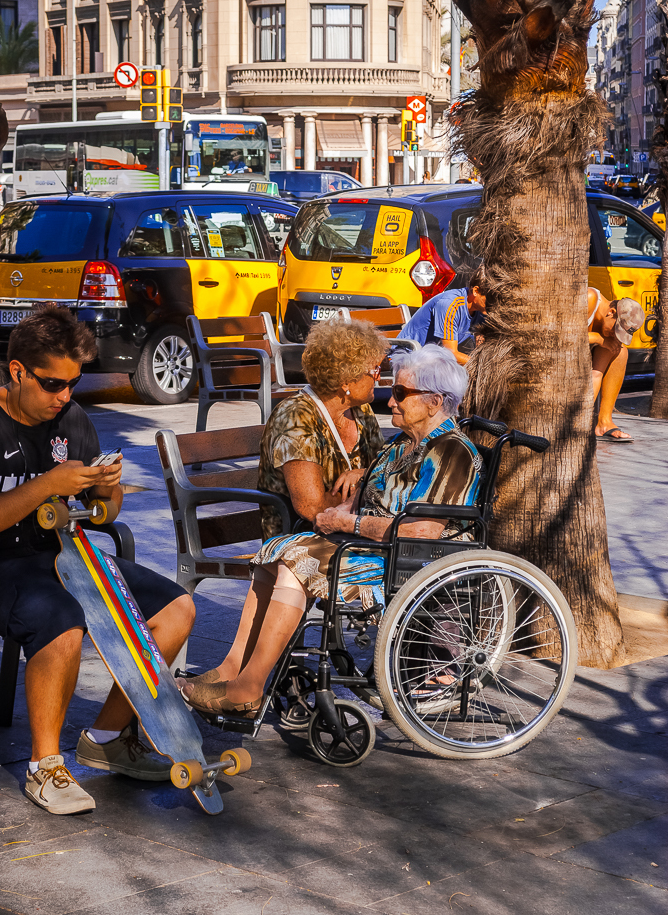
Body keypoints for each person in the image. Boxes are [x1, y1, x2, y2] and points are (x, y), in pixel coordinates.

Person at [181, 345, 481, 718]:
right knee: (276, 554)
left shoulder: (451, 452)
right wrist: (354, 492)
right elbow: (374, 491)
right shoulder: (404, 445)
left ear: (435, 401)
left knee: (297, 565)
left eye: (401, 394)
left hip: (413, 558)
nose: (391, 402)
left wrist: (348, 523)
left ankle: (249, 686)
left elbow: (421, 530)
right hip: (382, 547)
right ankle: (232, 669)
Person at [0, 305, 196, 815]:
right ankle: (45, 766)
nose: (65, 397)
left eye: (73, 384)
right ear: (17, 372)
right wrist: (45, 487)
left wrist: (108, 489)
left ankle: (105, 737)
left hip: (62, 559)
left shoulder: (71, 420)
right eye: (54, 384)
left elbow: (104, 516)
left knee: (177, 609)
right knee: (62, 618)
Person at [257, 319, 387, 542]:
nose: (379, 378)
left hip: (351, 530)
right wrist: (366, 489)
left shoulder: (360, 410)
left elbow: (383, 467)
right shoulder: (296, 416)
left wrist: (365, 473)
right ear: (346, 381)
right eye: (374, 371)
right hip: (301, 537)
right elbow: (311, 507)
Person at [588, 289, 644, 442]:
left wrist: (604, 341)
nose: (615, 335)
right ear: (611, 312)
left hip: (584, 349)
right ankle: (579, 421)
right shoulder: (589, 298)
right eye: (616, 330)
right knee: (610, 344)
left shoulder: (609, 323)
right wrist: (600, 340)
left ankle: (604, 422)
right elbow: (563, 334)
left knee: (620, 351)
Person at [397, 274, 487, 365]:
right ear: (476, 291)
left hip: (432, 359)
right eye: (491, 298)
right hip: (408, 357)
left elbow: (480, 350)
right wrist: (482, 366)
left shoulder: (481, 310)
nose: (495, 303)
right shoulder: (450, 304)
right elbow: (450, 354)